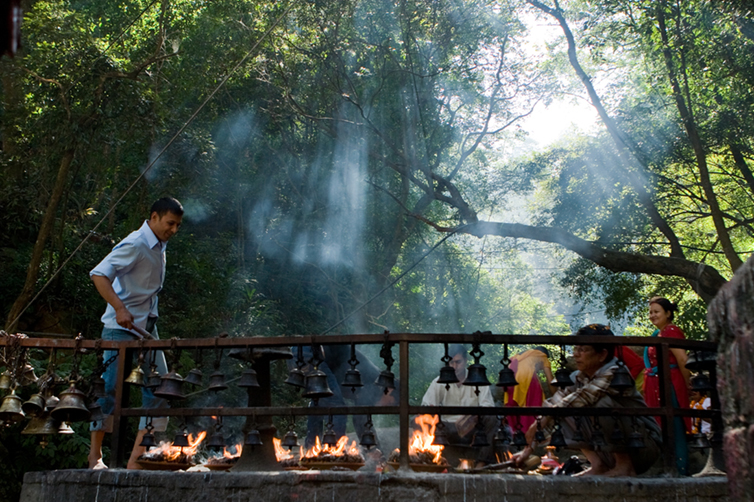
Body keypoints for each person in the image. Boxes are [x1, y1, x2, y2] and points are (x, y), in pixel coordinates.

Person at [88, 197, 183, 469]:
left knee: (161, 390)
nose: (174, 230)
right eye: (170, 223)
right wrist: (119, 308)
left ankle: (137, 460)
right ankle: (95, 455)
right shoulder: (136, 243)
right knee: (108, 390)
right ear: (154, 217)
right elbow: (99, 274)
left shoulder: (159, 244)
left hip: (146, 331)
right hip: (120, 329)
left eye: (177, 225)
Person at [513, 324, 661, 477]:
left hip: (642, 446)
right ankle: (598, 465)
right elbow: (554, 404)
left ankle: (624, 466)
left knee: (599, 404)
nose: (576, 354)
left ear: (602, 354)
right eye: (576, 349)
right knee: (562, 408)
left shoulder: (615, 372)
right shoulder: (576, 377)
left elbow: (585, 396)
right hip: (608, 451)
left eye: (583, 350)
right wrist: (527, 450)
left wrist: (545, 417)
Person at [421, 344, 496, 467]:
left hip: (473, 429)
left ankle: (481, 463)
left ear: (466, 361)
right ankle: (430, 461)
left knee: (491, 418)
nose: (454, 366)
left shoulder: (477, 379)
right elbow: (426, 405)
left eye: (458, 362)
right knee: (416, 421)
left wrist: (476, 415)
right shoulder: (439, 381)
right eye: (451, 362)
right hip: (446, 428)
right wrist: (431, 410)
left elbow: (488, 406)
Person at [642, 296, 691, 475]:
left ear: (668, 313)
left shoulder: (671, 331)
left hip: (670, 383)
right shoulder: (658, 334)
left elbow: (682, 359)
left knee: (674, 425)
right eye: (650, 312)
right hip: (657, 383)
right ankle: (669, 467)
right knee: (662, 425)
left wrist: (688, 384)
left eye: (656, 312)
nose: (652, 315)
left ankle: (680, 469)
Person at [503, 346, 555, 431]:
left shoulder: (517, 356)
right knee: (533, 408)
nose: (540, 369)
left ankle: (514, 434)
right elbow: (550, 380)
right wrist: (557, 396)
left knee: (513, 410)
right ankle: (531, 433)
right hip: (527, 379)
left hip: (510, 380)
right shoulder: (542, 355)